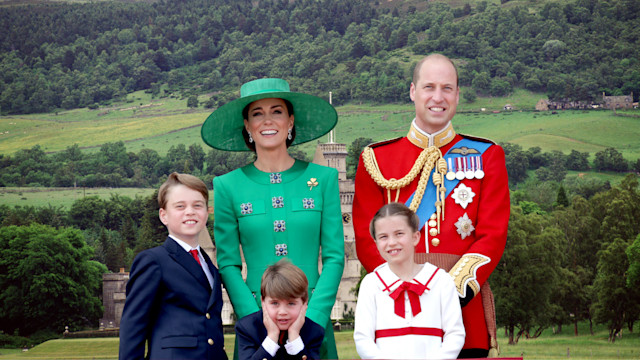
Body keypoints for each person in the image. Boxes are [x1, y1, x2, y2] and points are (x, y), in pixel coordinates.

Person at [352, 53, 510, 358]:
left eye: (447, 88)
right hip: (395, 312)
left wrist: (447, 292)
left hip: (464, 310)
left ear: (457, 95)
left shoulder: (487, 155)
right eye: (429, 87)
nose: (438, 97)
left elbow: (492, 236)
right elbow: (367, 238)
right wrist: (403, 289)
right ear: (413, 91)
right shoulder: (375, 160)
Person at [201, 78, 345, 359]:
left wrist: (313, 315)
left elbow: (335, 257)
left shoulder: (324, 179)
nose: (268, 120)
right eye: (257, 113)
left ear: (290, 121)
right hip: (255, 327)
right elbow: (228, 263)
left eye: (277, 111)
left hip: (312, 319)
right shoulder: (227, 186)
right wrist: (255, 319)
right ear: (247, 126)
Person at [119, 172, 227, 360]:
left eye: (197, 205)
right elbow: (133, 327)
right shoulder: (153, 260)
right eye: (180, 206)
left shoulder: (209, 265)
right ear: (164, 215)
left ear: (206, 212)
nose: (190, 211)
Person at [354, 203, 465, 359]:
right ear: (376, 243)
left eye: (399, 233)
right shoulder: (371, 284)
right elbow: (362, 339)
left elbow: (455, 334)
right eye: (383, 237)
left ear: (415, 237)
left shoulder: (441, 280)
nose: (391, 242)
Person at [236, 259, 325, 360]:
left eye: (291, 303)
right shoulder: (248, 328)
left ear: (304, 303)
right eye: (275, 303)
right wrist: (272, 337)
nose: (282, 312)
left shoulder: (314, 331)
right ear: (263, 301)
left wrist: (295, 337)